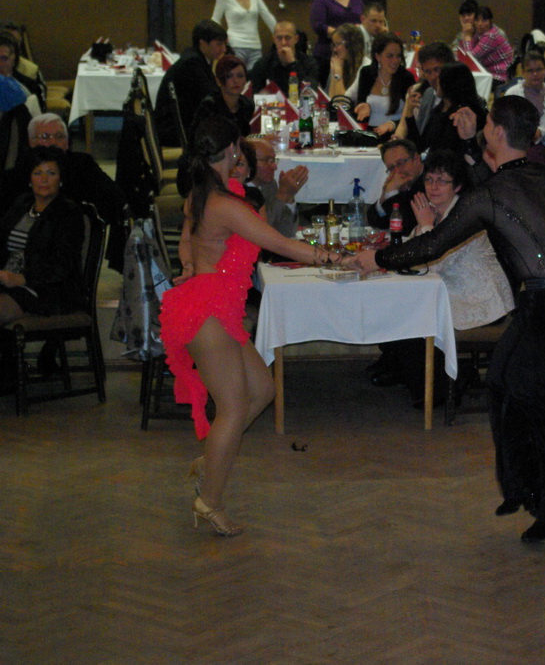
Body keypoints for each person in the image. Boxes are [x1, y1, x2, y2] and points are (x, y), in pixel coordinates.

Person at [352, 96, 545, 543]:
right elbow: (496, 185)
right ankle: (523, 488)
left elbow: (434, 244)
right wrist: (471, 144)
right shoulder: (540, 172)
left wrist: (379, 259)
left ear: (498, 133)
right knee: (501, 382)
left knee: (542, 407)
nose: (483, 127)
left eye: (487, 123)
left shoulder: (492, 193)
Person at [160, 116, 351, 537]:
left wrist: (189, 262)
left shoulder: (205, 194)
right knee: (231, 408)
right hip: (207, 311)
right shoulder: (224, 204)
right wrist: (337, 259)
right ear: (232, 150)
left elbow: (190, 238)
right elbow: (280, 244)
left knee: (262, 390)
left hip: (217, 307)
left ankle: (212, 460)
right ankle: (209, 502)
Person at [390, 150, 515, 406]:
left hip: (481, 302)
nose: (433, 187)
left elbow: (431, 264)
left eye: (442, 181)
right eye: (429, 179)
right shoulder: (434, 210)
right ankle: (418, 379)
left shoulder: (464, 215)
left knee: (413, 320)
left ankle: (444, 386)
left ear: (457, 186)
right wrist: (422, 226)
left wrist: (425, 226)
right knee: (398, 311)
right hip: (455, 294)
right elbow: (412, 254)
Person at [1, 114, 126, 250]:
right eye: (45, 137)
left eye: (59, 137)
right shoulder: (19, 172)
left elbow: (114, 199)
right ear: (31, 143)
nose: (53, 142)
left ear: (66, 143)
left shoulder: (82, 166)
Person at [0, 146, 84, 329]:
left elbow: (63, 264)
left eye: (51, 173)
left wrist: (22, 278)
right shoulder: (22, 204)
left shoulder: (69, 213)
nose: (44, 179)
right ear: (30, 179)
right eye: (38, 173)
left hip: (46, 290)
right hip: (7, 282)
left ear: (61, 179)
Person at [154, 20, 228, 147]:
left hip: (178, 126)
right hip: (175, 132)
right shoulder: (192, 63)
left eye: (224, 44)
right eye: (219, 44)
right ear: (202, 43)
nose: (224, 49)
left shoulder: (195, 58)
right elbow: (209, 98)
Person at [398, 62, 486, 161]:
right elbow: (420, 145)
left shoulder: (464, 115)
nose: (436, 80)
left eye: (440, 77)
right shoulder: (438, 110)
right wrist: (409, 113)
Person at [349, 32, 414, 139]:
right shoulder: (366, 73)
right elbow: (361, 103)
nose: (395, 61)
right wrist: (363, 106)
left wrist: (393, 124)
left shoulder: (406, 78)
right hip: (369, 135)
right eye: (390, 56)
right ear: (377, 56)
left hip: (396, 136)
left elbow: (413, 115)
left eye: (398, 56)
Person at [210, 0, 276, 70]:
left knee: (255, 77)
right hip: (235, 45)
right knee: (236, 76)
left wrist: (278, 34)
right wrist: (219, 41)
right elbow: (215, 20)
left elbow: (266, 15)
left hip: (255, 46)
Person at [310, 0, 363, 85]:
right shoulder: (321, 0)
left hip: (353, 55)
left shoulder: (356, 0)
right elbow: (318, 25)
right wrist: (342, 36)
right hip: (327, 55)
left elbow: (362, 21)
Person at [394, 41, 454, 145]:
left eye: (437, 70)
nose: (433, 77)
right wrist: (409, 114)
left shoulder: (463, 96)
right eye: (428, 72)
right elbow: (418, 142)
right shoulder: (423, 94)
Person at [246, 137, 308, 238]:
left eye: (274, 160)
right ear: (248, 162)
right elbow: (261, 232)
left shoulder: (269, 185)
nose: (275, 167)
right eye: (267, 161)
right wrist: (282, 195)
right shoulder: (238, 189)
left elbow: (287, 232)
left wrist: (289, 198)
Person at [504, 51, 545, 160]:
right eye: (530, 70)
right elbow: (507, 125)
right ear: (523, 72)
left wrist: (539, 133)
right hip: (514, 147)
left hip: (542, 149)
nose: (535, 74)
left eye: (539, 69)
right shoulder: (511, 94)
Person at [248, 20, 320, 98]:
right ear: (274, 40)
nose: (283, 43)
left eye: (288, 38)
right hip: (273, 104)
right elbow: (256, 94)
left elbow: (310, 91)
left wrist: (293, 63)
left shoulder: (309, 63)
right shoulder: (263, 63)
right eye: (279, 38)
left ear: (296, 39)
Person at [366, 137, 423, 235]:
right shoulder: (402, 181)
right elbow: (378, 222)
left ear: (416, 159)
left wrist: (392, 193)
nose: (397, 171)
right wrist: (384, 198)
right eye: (391, 168)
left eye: (400, 163)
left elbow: (405, 227)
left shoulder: (431, 181)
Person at [190, 55, 253, 141]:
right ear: (218, 81)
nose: (236, 81)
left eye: (240, 76)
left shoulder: (247, 105)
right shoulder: (210, 106)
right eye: (229, 76)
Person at [460, 6, 515, 85]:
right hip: (488, 73)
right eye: (477, 20)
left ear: (490, 21)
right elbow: (464, 53)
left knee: (466, 82)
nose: (480, 24)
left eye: (484, 20)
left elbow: (471, 59)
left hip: (500, 77)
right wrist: (466, 34)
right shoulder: (479, 34)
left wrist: (468, 36)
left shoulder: (491, 35)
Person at [326, 22, 365, 98]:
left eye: (338, 44)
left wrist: (338, 72)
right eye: (334, 45)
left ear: (351, 44)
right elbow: (332, 98)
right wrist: (334, 71)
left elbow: (342, 101)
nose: (335, 49)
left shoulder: (365, 68)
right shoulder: (342, 63)